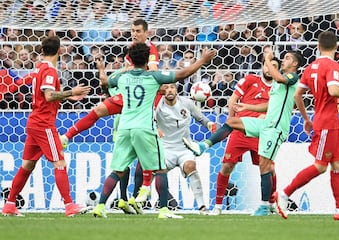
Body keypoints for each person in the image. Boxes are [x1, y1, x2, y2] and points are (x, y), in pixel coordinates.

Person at [91, 43, 216, 219]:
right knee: (160, 169)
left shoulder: (122, 77)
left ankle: (100, 206)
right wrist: (202, 60)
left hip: (124, 127)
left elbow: (104, 82)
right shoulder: (153, 77)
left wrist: (102, 69)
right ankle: (164, 210)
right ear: (147, 59)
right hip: (144, 127)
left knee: (118, 170)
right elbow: (182, 74)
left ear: (130, 59)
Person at [183, 50, 302, 216]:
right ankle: (203, 146)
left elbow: (281, 78)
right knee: (231, 123)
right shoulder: (267, 82)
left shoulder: (291, 79)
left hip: (274, 129)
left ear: (295, 64)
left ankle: (266, 205)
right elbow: (269, 106)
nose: (283, 60)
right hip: (262, 125)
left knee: (266, 166)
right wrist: (247, 107)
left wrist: (267, 58)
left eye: (287, 58)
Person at [59, 18, 160, 214]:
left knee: (143, 157)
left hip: (143, 98)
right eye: (132, 30)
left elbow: (153, 70)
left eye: (138, 30)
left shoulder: (150, 49)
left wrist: (119, 73)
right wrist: (111, 75)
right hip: (128, 95)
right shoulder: (132, 49)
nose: (134, 33)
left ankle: (140, 195)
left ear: (147, 32)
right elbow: (125, 75)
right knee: (98, 111)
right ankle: (66, 136)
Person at [274, 31, 339, 221]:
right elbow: (333, 90)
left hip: (328, 121)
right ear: (336, 47)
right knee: (321, 166)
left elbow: (299, 95)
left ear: (318, 46)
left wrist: (306, 119)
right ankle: (285, 194)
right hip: (327, 123)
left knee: (338, 164)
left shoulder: (311, 67)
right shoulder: (332, 65)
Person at [1, 36, 91, 217]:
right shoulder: (49, 71)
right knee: (59, 162)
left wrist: (66, 96)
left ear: (42, 51)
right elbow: (49, 96)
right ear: (59, 51)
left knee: (27, 165)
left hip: (34, 121)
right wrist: (71, 92)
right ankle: (69, 205)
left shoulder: (39, 68)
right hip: (44, 123)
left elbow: (45, 96)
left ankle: (10, 204)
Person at [211, 58, 280, 215]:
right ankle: (218, 206)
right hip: (241, 129)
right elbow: (233, 100)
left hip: (261, 133)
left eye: (274, 66)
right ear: (262, 67)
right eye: (268, 65)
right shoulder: (250, 79)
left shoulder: (279, 88)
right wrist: (231, 121)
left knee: (269, 168)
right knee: (227, 166)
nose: (270, 69)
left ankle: (271, 202)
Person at [135, 83, 217, 214]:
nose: (169, 90)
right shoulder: (158, 106)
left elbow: (201, 118)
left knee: (190, 166)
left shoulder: (187, 103)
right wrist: (156, 129)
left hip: (185, 147)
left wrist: (209, 124)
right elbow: (148, 121)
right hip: (166, 148)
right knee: (155, 171)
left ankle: (202, 206)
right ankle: (140, 200)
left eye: (172, 87)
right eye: (166, 88)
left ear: (176, 89)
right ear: (162, 91)